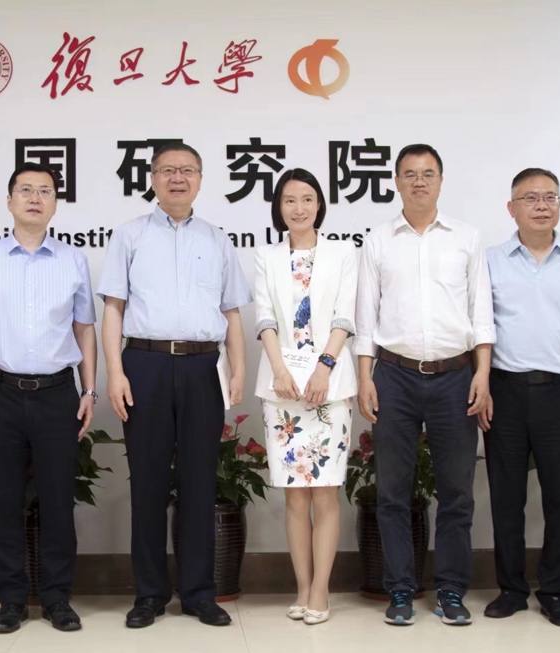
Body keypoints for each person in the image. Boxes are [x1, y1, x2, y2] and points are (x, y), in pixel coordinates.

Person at [98, 142, 252, 629]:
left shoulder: (217, 239)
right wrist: (115, 373)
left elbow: (231, 312)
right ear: (153, 178)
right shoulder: (130, 235)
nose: (177, 178)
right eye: (167, 170)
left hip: (202, 366)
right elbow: (113, 309)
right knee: (147, 482)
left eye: (187, 170)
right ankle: (149, 594)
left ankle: (199, 593)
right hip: (143, 364)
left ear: (200, 179)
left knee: (199, 481)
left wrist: (238, 369)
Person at [355, 143, 493, 627]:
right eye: (410, 173)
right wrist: (364, 377)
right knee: (393, 492)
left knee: (457, 493)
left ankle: (451, 590)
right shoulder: (378, 240)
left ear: (440, 181)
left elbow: (481, 313)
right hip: (393, 376)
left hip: (456, 377)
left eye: (428, 173)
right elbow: (365, 318)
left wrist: (482, 373)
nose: (419, 181)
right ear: (396, 182)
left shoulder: (467, 238)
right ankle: (400, 589)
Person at [0, 163, 97, 634]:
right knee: (3, 502)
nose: (35, 198)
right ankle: (11, 601)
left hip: (57, 394)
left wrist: (88, 389)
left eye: (45, 191)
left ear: (55, 203)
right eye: (26, 190)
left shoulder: (73, 260)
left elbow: (84, 330)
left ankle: (57, 599)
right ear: (9, 201)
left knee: (58, 501)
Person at [482, 168, 560, 628]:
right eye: (530, 198)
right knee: (506, 497)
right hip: (505, 389)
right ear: (511, 208)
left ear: (559, 205)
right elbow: (481, 328)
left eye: (550, 197)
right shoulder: (491, 260)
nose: (541, 205)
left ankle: (554, 591)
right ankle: (511, 589)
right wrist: (482, 383)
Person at [251, 168, 357, 625]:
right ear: (279, 208)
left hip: (329, 385)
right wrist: (279, 371)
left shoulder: (343, 253)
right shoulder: (266, 256)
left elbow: (344, 318)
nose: (299, 208)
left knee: (325, 493)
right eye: (290, 200)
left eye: (308, 199)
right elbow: (264, 318)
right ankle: (300, 587)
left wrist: (324, 368)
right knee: (295, 496)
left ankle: (320, 590)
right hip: (283, 388)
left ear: (319, 205)